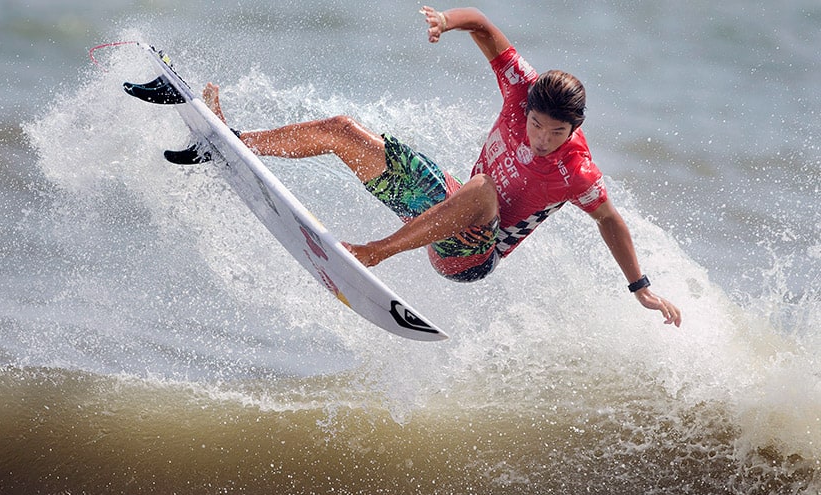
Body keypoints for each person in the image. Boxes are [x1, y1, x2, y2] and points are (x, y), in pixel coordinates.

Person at [199, 6, 682, 327]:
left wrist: (641, 288)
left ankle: (374, 252)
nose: (541, 140)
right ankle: (235, 140)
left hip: (472, 257)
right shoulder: (521, 89)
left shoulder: (577, 171)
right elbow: (483, 25)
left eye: (556, 133)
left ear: (574, 128)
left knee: (484, 190)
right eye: (537, 125)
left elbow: (609, 219)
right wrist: (445, 20)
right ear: (528, 107)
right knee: (344, 131)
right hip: (449, 207)